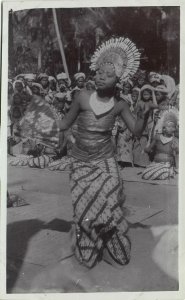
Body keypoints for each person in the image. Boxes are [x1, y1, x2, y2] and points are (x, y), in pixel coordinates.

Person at [20, 37, 153, 268]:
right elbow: (63, 125)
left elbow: (136, 131)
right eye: (99, 72)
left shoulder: (120, 104)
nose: (101, 77)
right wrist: (35, 118)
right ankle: (89, 236)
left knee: (111, 198)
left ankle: (111, 234)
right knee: (84, 207)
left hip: (106, 161)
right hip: (80, 162)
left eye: (107, 75)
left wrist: (145, 114)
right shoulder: (82, 97)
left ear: (118, 80)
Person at [142, 111, 178, 180]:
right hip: (156, 163)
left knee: (164, 172)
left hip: (167, 164)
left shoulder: (174, 139)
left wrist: (176, 149)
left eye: (173, 127)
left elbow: (178, 153)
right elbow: (149, 149)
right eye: (169, 126)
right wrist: (145, 149)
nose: (171, 128)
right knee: (145, 175)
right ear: (163, 128)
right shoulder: (157, 137)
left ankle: (168, 172)